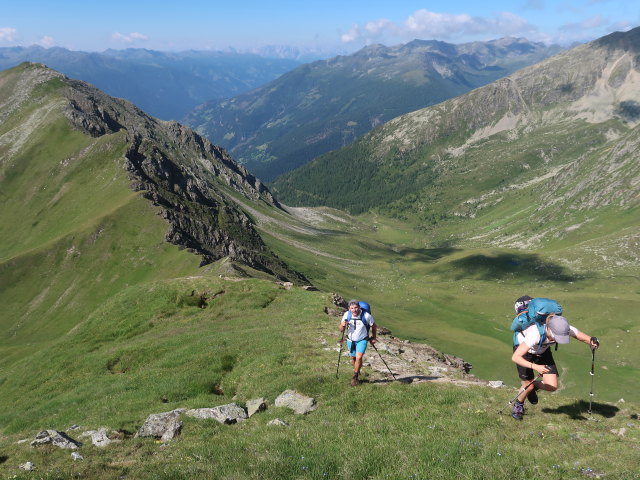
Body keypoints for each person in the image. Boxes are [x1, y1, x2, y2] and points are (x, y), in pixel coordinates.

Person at [511, 314, 599, 420]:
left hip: (542, 351)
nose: (558, 339)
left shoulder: (564, 328)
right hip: (525, 352)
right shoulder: (535, 334)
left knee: (552, 386)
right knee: (527, 386)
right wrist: (535, 367)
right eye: (556, 337)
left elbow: (584, 338)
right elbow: (516, 357)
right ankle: (518, 405)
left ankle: (533, 386)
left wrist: (593, 342)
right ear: (548, 328)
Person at [339, 299, 377, 386]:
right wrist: (343, 325)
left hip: (362, 339)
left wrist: (374, 338)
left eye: (356, 307)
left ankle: (355, 376)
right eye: (352, 308)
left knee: (359, 357)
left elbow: (374, 326)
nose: (354, 310)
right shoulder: (347, 315)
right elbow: (341, 329)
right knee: (353, 358)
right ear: (349, 308)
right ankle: (358, 370)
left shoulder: (366, 315)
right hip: (350, 340)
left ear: (359, 307)